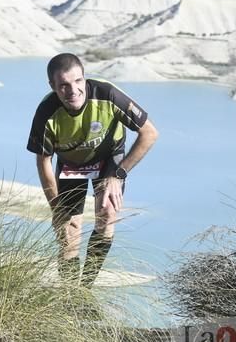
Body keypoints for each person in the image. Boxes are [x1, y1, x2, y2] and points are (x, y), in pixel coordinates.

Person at [27, 53, 158, 287]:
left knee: (107, 214)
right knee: (68, 233)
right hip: (71, 164)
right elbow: (43, 161)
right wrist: (55, 208)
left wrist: (118, 175)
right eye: (64, 85)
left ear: (84, 78)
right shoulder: (46, 112)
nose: (73, 90)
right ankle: (70, 295)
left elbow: (149, 133)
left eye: (78, 81)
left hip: (108, 161)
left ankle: (86, 286)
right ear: (53, 86)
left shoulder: (107, 94)